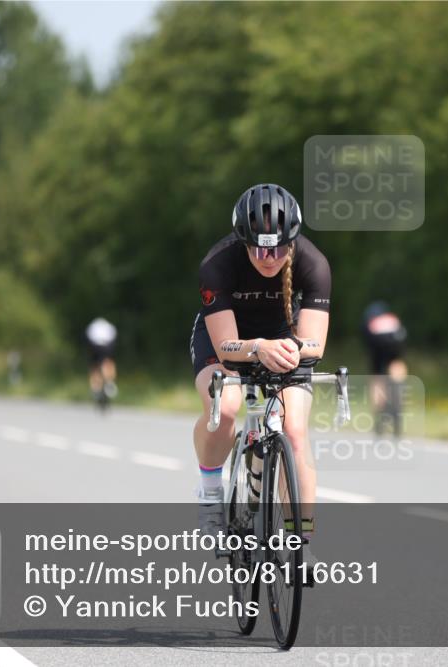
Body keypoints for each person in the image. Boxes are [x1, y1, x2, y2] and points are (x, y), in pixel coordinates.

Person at [191, 183, 330, 567]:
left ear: (292, 241)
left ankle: (299, 541)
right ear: (243, 241)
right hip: (226, 339)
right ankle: (208, 492)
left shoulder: (312, 263)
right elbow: (225, 348)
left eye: (279, 249)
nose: (269, 258)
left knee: (295, 432)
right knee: (228, 408)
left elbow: (315, 345)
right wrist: (257, 348)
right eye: (259, 249)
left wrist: (289, 349)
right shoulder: (217, 264)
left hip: (284, 343)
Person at [361, 301, 408, 434]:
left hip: (377, 342)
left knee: (377, 375)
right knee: (397, 362)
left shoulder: (369, 321)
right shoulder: (391, 318)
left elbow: (368, 342)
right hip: (397, 339)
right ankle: (398, 400)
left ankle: (380, 413)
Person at [85, 317, 117, 400]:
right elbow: (113, 339)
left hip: (95, 346)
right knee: (108, 362)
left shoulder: (92, 326)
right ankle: (109, 383)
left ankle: (96, 388)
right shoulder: (108, 326)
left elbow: (88, 339)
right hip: (107, 346)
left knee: (94, 367)